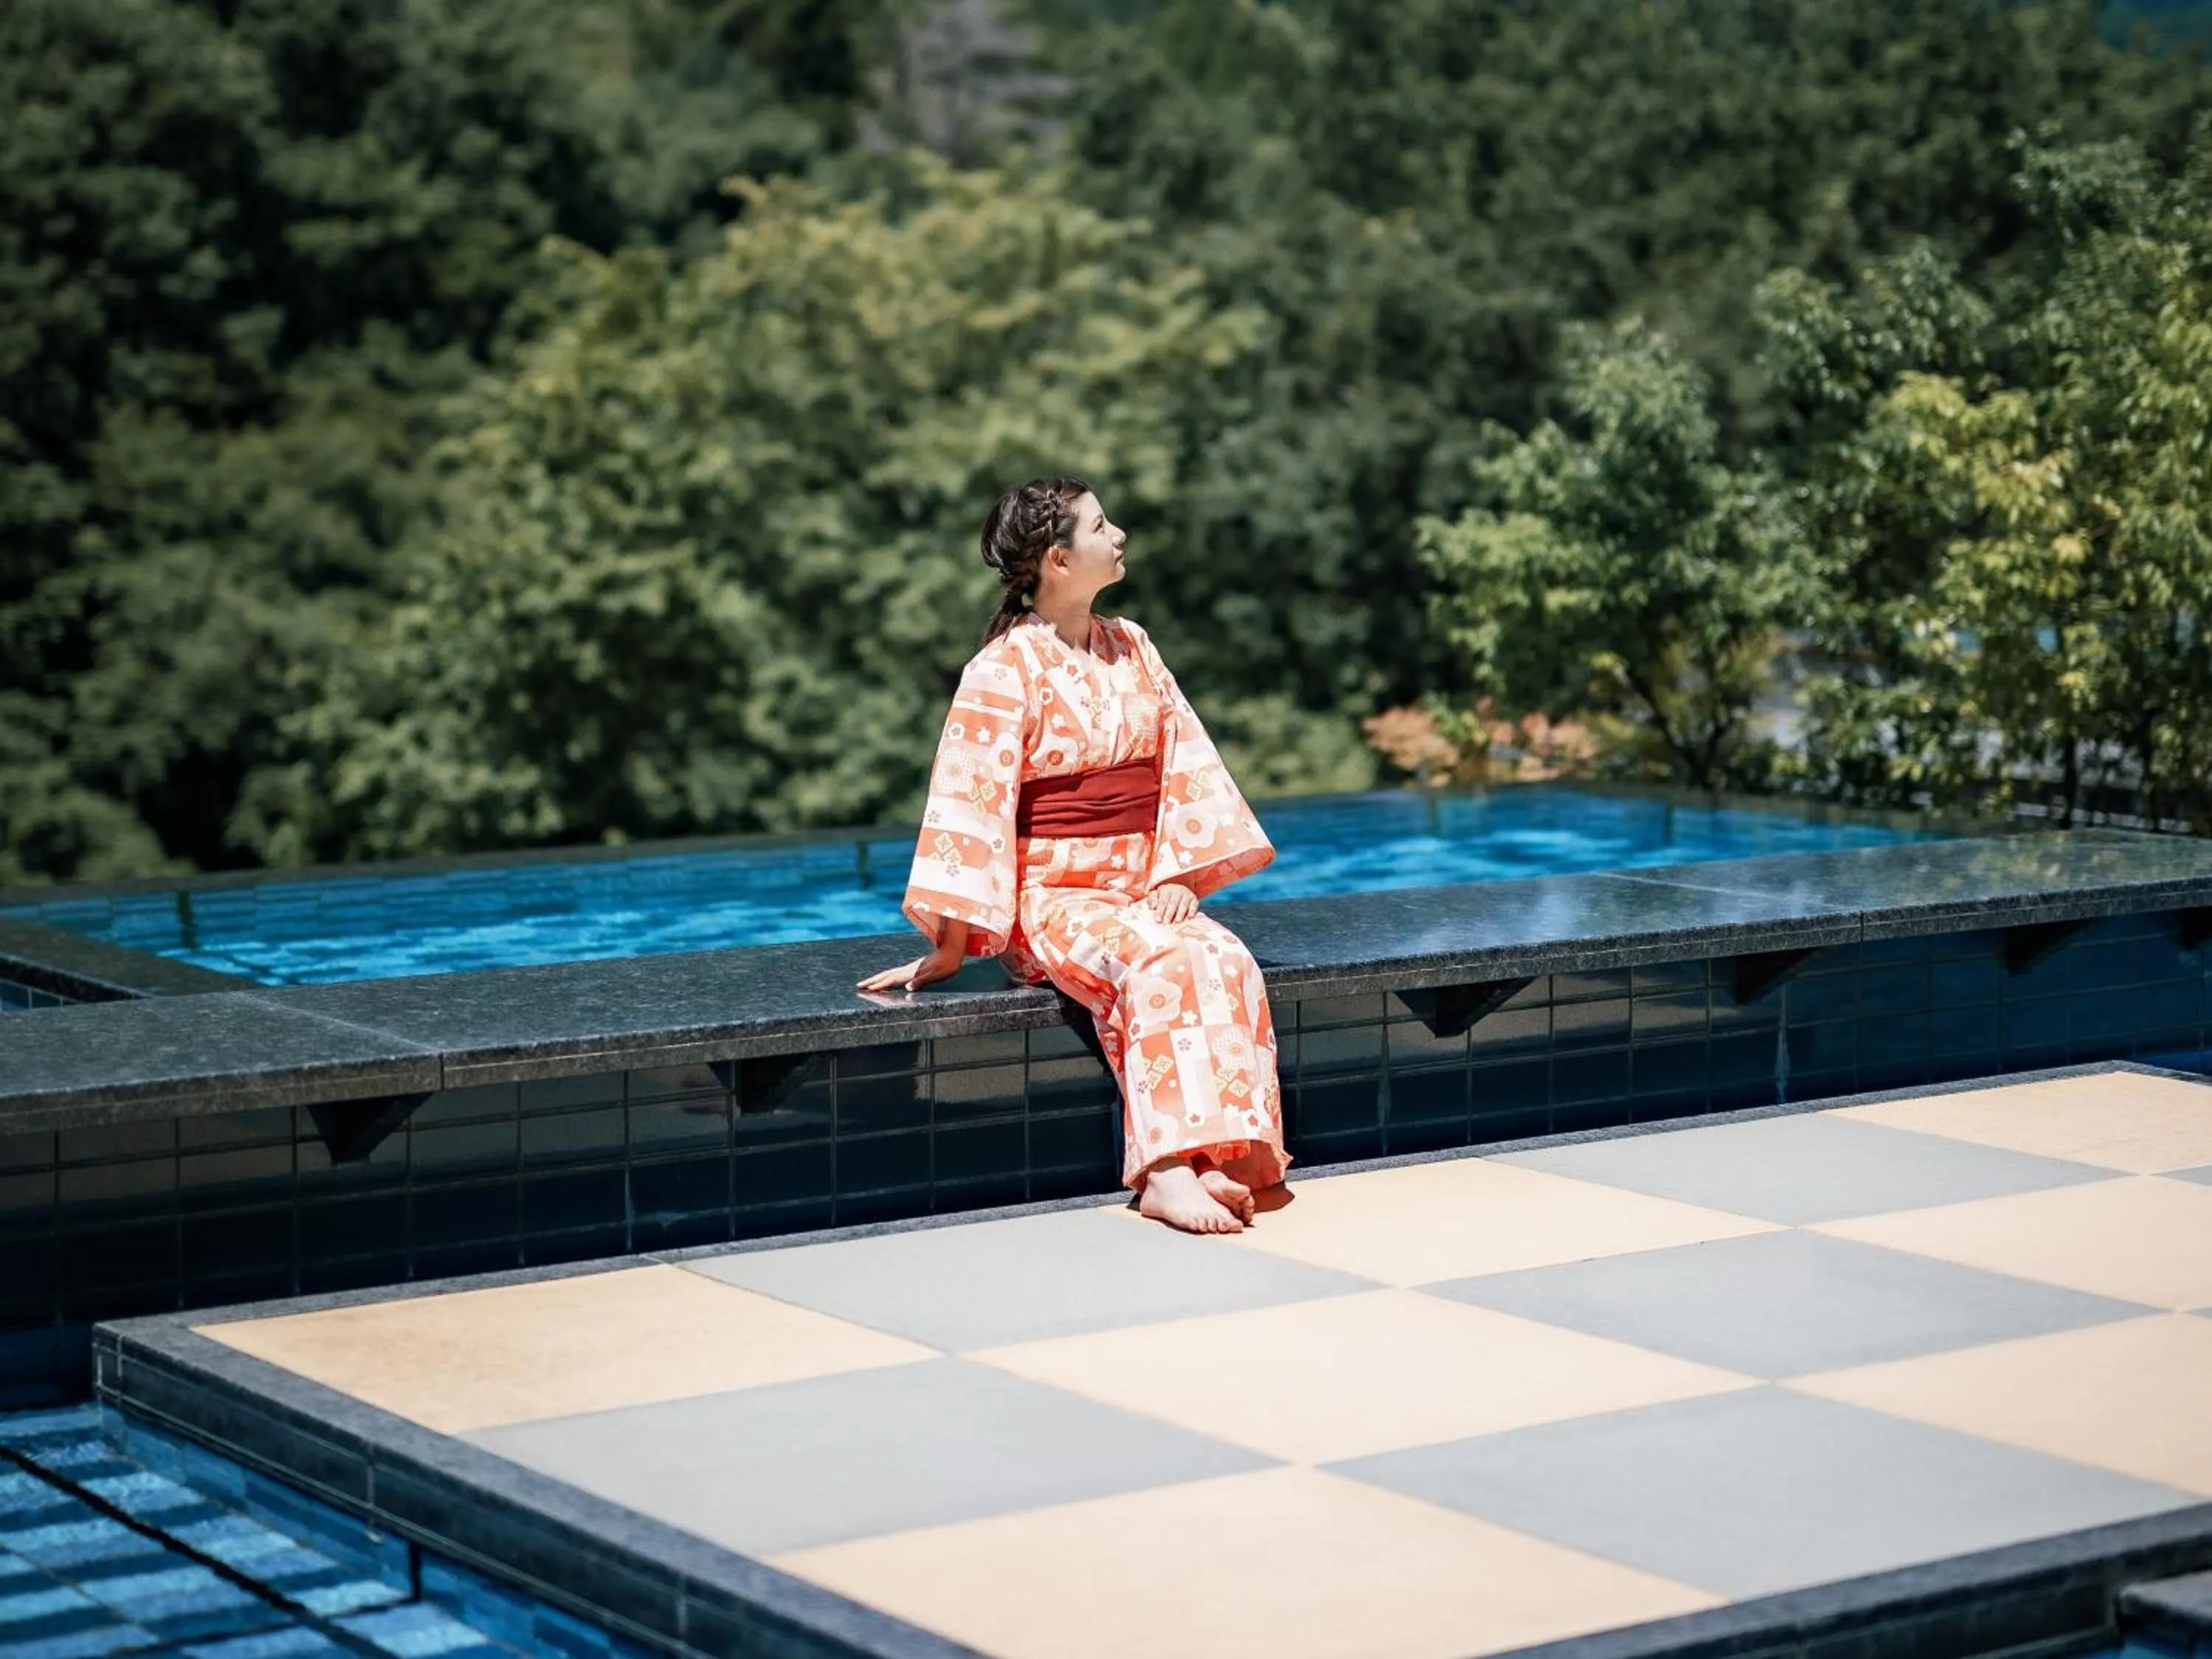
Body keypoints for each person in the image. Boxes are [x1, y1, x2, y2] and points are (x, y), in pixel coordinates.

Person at [858, 478, 1290, 1234]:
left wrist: (1179, 876)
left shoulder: (1135, 645)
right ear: (1059, 559)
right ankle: (1162, 1171)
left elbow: (1184, 764)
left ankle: (1214, 1156)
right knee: (1157, 963)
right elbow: (970, 807)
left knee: (1223, 956)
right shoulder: (1001, 671)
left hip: (1138, 890)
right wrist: (952, 944)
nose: (1119, 533)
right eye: (1101, 525)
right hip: (1052, 903)